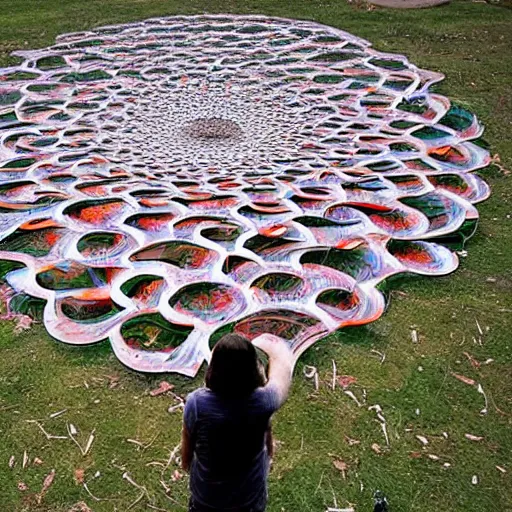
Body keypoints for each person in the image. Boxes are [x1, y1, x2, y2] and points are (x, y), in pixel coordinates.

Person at [181, 332, 294, 512]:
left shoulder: (197, 404)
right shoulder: (264, 401)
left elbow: (188, 441)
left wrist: (186, 463)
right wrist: (274, 348)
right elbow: (282, 374)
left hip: (207, 498)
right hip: (248, 498)